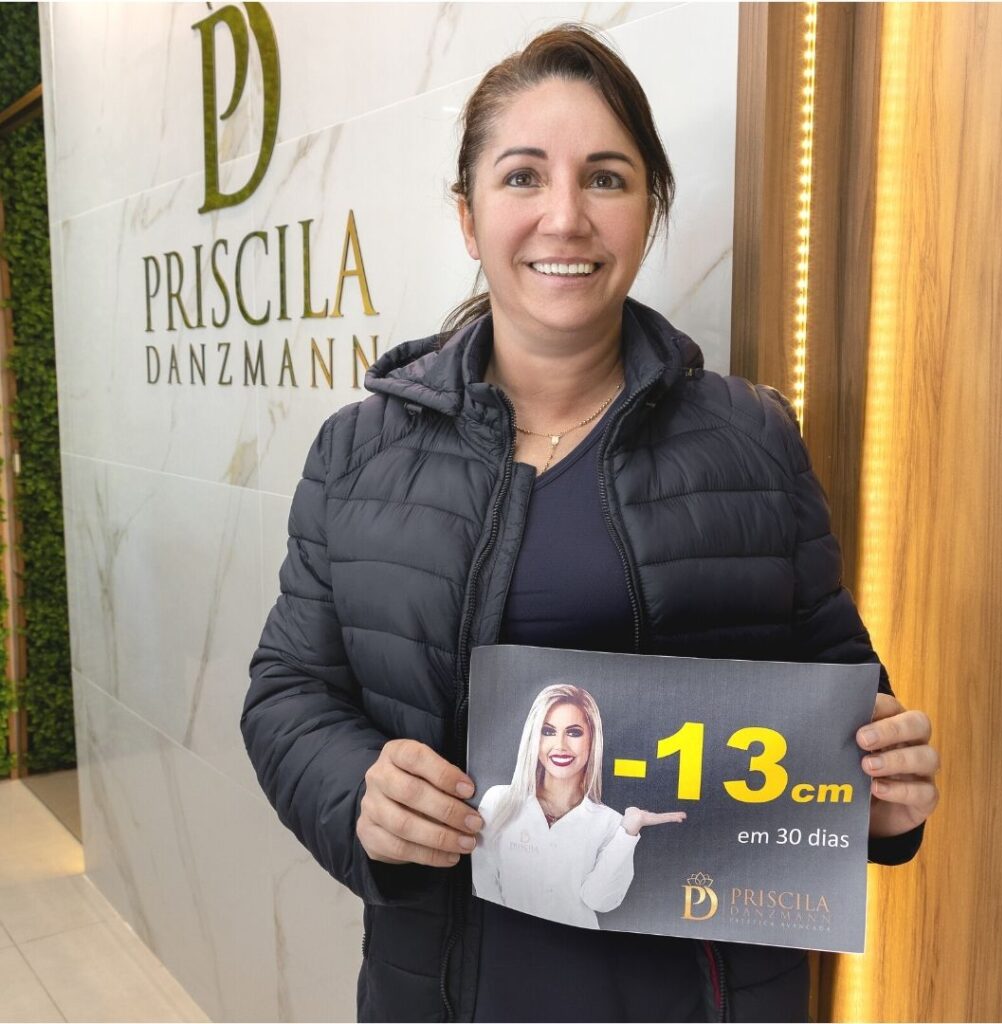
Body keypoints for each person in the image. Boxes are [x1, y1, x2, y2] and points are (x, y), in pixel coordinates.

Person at [241, 23, 940, 1023]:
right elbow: (287, 690)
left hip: (704, 999)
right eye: (523, 177)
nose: (565, 216)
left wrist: (881, 792)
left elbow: (840, 690)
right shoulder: (358, 454)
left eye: (606, 178)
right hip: (451, 992)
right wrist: (357, 789)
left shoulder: (753, 438)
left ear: (648, 209)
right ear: (468, 216)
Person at [472, 683, 685, 929]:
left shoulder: (611, 823)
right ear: (534, 737)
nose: (560, 745)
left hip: (579, 947)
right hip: (508, 940)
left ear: (592, 740)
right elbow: (484, 882)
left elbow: (599, 900)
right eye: (548, 731)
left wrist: (628, 831)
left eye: (574, 733)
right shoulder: (499, 801)